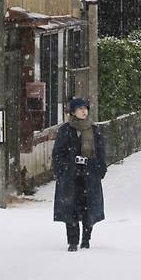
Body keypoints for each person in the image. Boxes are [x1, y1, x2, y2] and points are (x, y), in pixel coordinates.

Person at [52, 96, 107, 251]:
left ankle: (86, 239)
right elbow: (57, 153)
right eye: (80, 109)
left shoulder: (94, 130)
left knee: (89, 208)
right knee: (71, 209)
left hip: (89, 176)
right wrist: (61, 170)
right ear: (73, 112)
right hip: (70, 176)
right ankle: (73, 241)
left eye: (85, 108)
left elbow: (101, 151)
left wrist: (100, 169)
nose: (84, 111)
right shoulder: (65, 130)